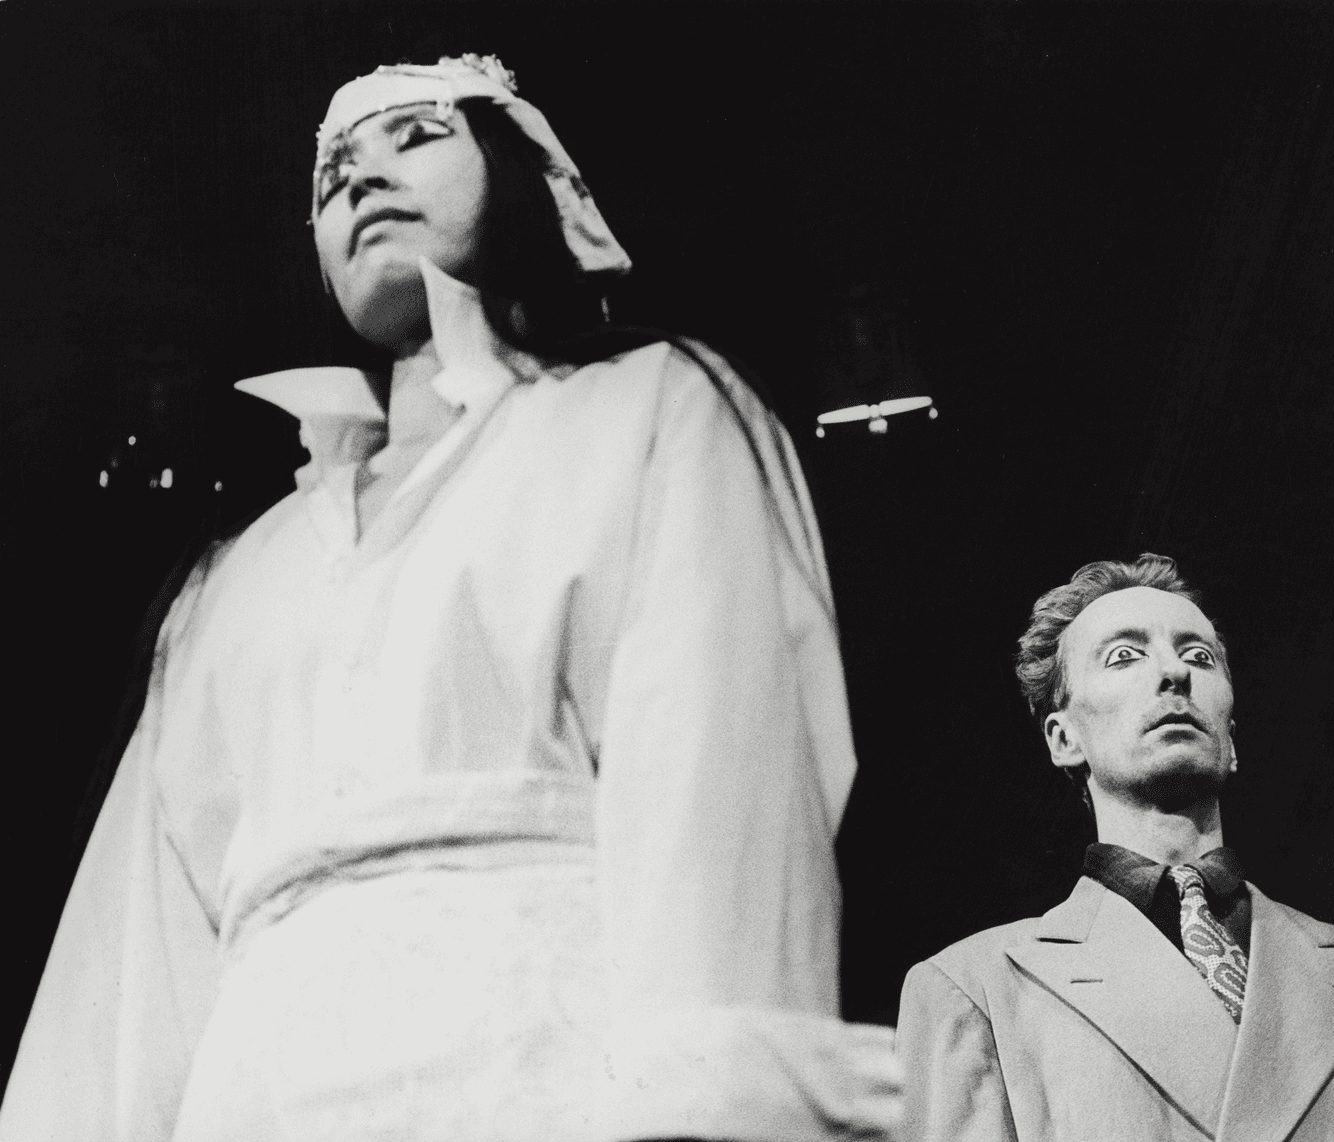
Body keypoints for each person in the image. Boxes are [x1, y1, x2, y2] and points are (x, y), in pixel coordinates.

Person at [0, 53, 900, 1142]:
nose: (361, 176)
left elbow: (715, 775)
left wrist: (703, 1098)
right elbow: (139, 939)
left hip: (540, 1062)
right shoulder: (242, 567)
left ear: (520, 172)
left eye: (416, 136)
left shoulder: (645, 411)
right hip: (260, 1089)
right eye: (333, 169)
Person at [896, 554, 1334, 1142]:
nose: (1175, 673)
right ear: (1064, 738)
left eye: (1199, 655)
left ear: (1231, 741)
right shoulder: (972, 991)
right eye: (1125, 656)